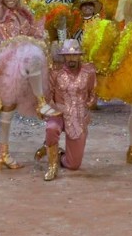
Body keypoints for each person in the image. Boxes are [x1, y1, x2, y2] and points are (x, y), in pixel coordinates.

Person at [41, 39, 97, 181]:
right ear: (64, 56)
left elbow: (93, 93)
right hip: (59, 113)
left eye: (74, 55)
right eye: (68, 55)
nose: (71, 58)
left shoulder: (89, 72)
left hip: (78, 117)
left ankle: (59, 156)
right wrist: (53, 112)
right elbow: (48, 97)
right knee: (51, 128)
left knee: (74, 165)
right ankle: (52, 166)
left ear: (79, 56)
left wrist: (86, 108)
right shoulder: (55, 72)